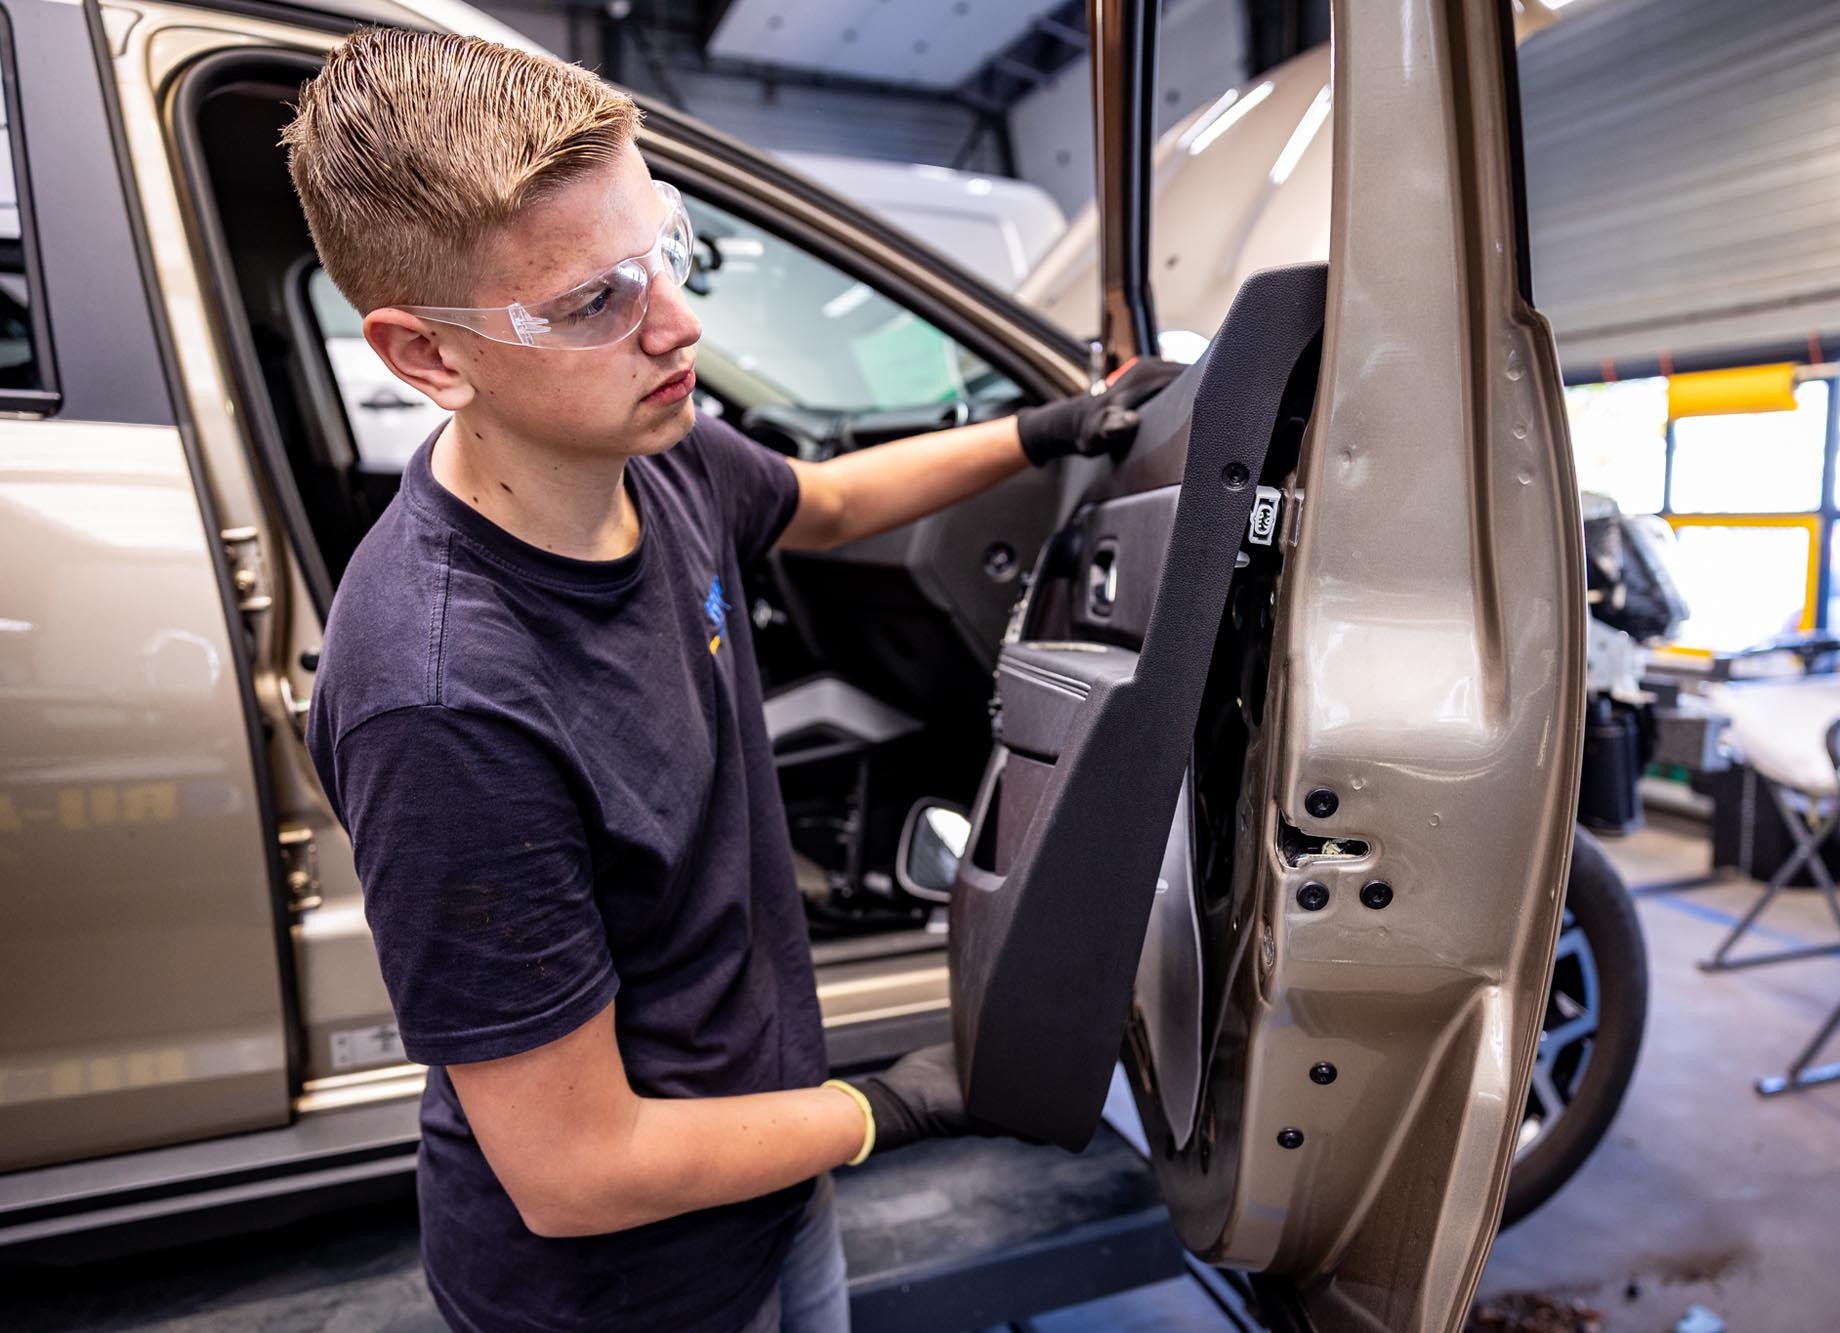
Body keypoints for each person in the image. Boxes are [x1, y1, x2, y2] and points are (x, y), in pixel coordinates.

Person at [288, 28, 1178, 1333]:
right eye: (596, 302)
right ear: (428, 357)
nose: (677, 322)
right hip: (628, 1293)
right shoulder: (443, 702)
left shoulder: (656, 451)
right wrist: (886, 1108)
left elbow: (827, 501)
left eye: (668, 247)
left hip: (765, 1168)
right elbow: (575, 1172)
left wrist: (1044, 430)